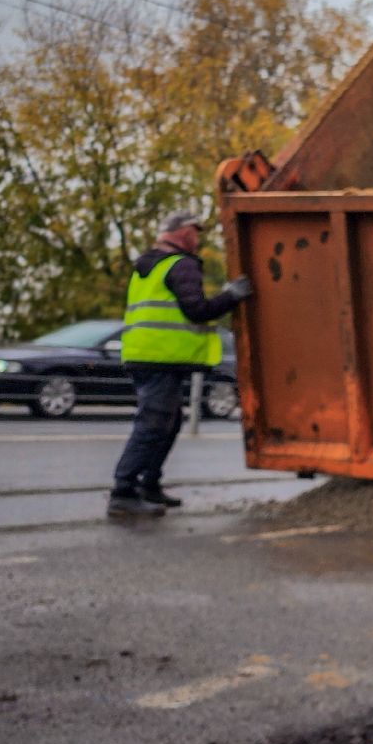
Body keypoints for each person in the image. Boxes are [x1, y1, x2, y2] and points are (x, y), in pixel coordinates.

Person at [108, 211, 253, 518]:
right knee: (153, 423)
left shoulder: (147, 266)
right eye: (194, 232)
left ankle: (149, 484)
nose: (197, 239)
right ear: (183, 233)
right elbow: (197, 310)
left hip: (144, 354)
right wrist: (231, 295)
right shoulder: (181, 265)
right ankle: (123, 491)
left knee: (168, 422)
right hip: (162, 357)